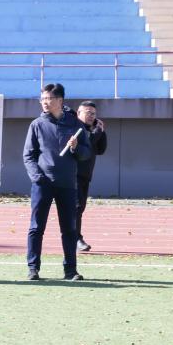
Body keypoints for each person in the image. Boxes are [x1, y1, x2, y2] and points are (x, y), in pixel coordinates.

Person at [24, 83, 92, 281]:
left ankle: (70, 270)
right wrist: (38, 178)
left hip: (67, 184)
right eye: (43, 99)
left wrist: (76, 147)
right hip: (42, 184)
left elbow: (86, 154)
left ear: (60, 101)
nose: (45, 102)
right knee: (36, 227)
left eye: (49, 99)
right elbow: (28, 156)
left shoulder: (75, 124)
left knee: (69, 229)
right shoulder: (37, 125)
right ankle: (33, 268)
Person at [74, 100, 108, 252]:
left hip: (85, 176)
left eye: (93, 114)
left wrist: (102, 131)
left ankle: (73, 237)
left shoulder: (92, 130)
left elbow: (101, 150)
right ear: (78, 113)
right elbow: (86, 144)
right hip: (72, 175)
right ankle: (76, 239)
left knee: (79, 208)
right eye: (88, 113)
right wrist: (97, 132)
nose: (91, 116)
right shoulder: (75, 128)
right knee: (76, 208)